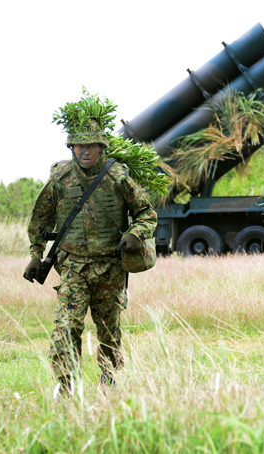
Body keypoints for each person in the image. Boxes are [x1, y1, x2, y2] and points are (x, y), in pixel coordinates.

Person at [24, 111, 157, 393]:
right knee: (65, 327)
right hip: (73, 268)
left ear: (101, 147)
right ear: (71, 147)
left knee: (109, 331)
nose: (85, 151)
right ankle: (67, 386)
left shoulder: (118, 177)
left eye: (91, 146)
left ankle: (108, 381)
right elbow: (39, 219)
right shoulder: (59, 178)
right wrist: (36, 254)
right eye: (79, 146)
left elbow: (147, 213)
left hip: (110, 267)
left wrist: (136, 233)